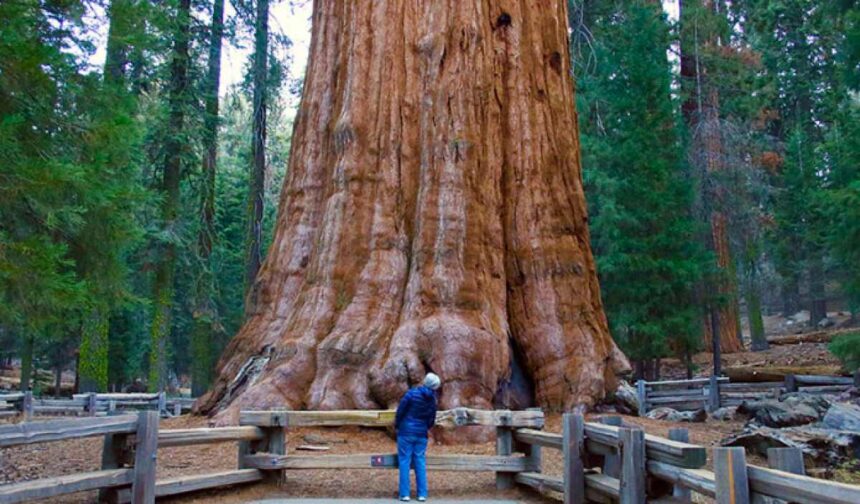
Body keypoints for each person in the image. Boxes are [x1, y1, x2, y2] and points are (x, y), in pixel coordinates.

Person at [394, 372, 441, 502]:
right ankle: (422, 494)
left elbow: (401, 411)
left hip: (405, 433)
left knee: (404, 462)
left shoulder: (411, 394)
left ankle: (405, 494)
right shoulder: (432, 400)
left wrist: (398, 425)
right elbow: (431, 419)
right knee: (420, 462)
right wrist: (424, 428)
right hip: (421, 434)